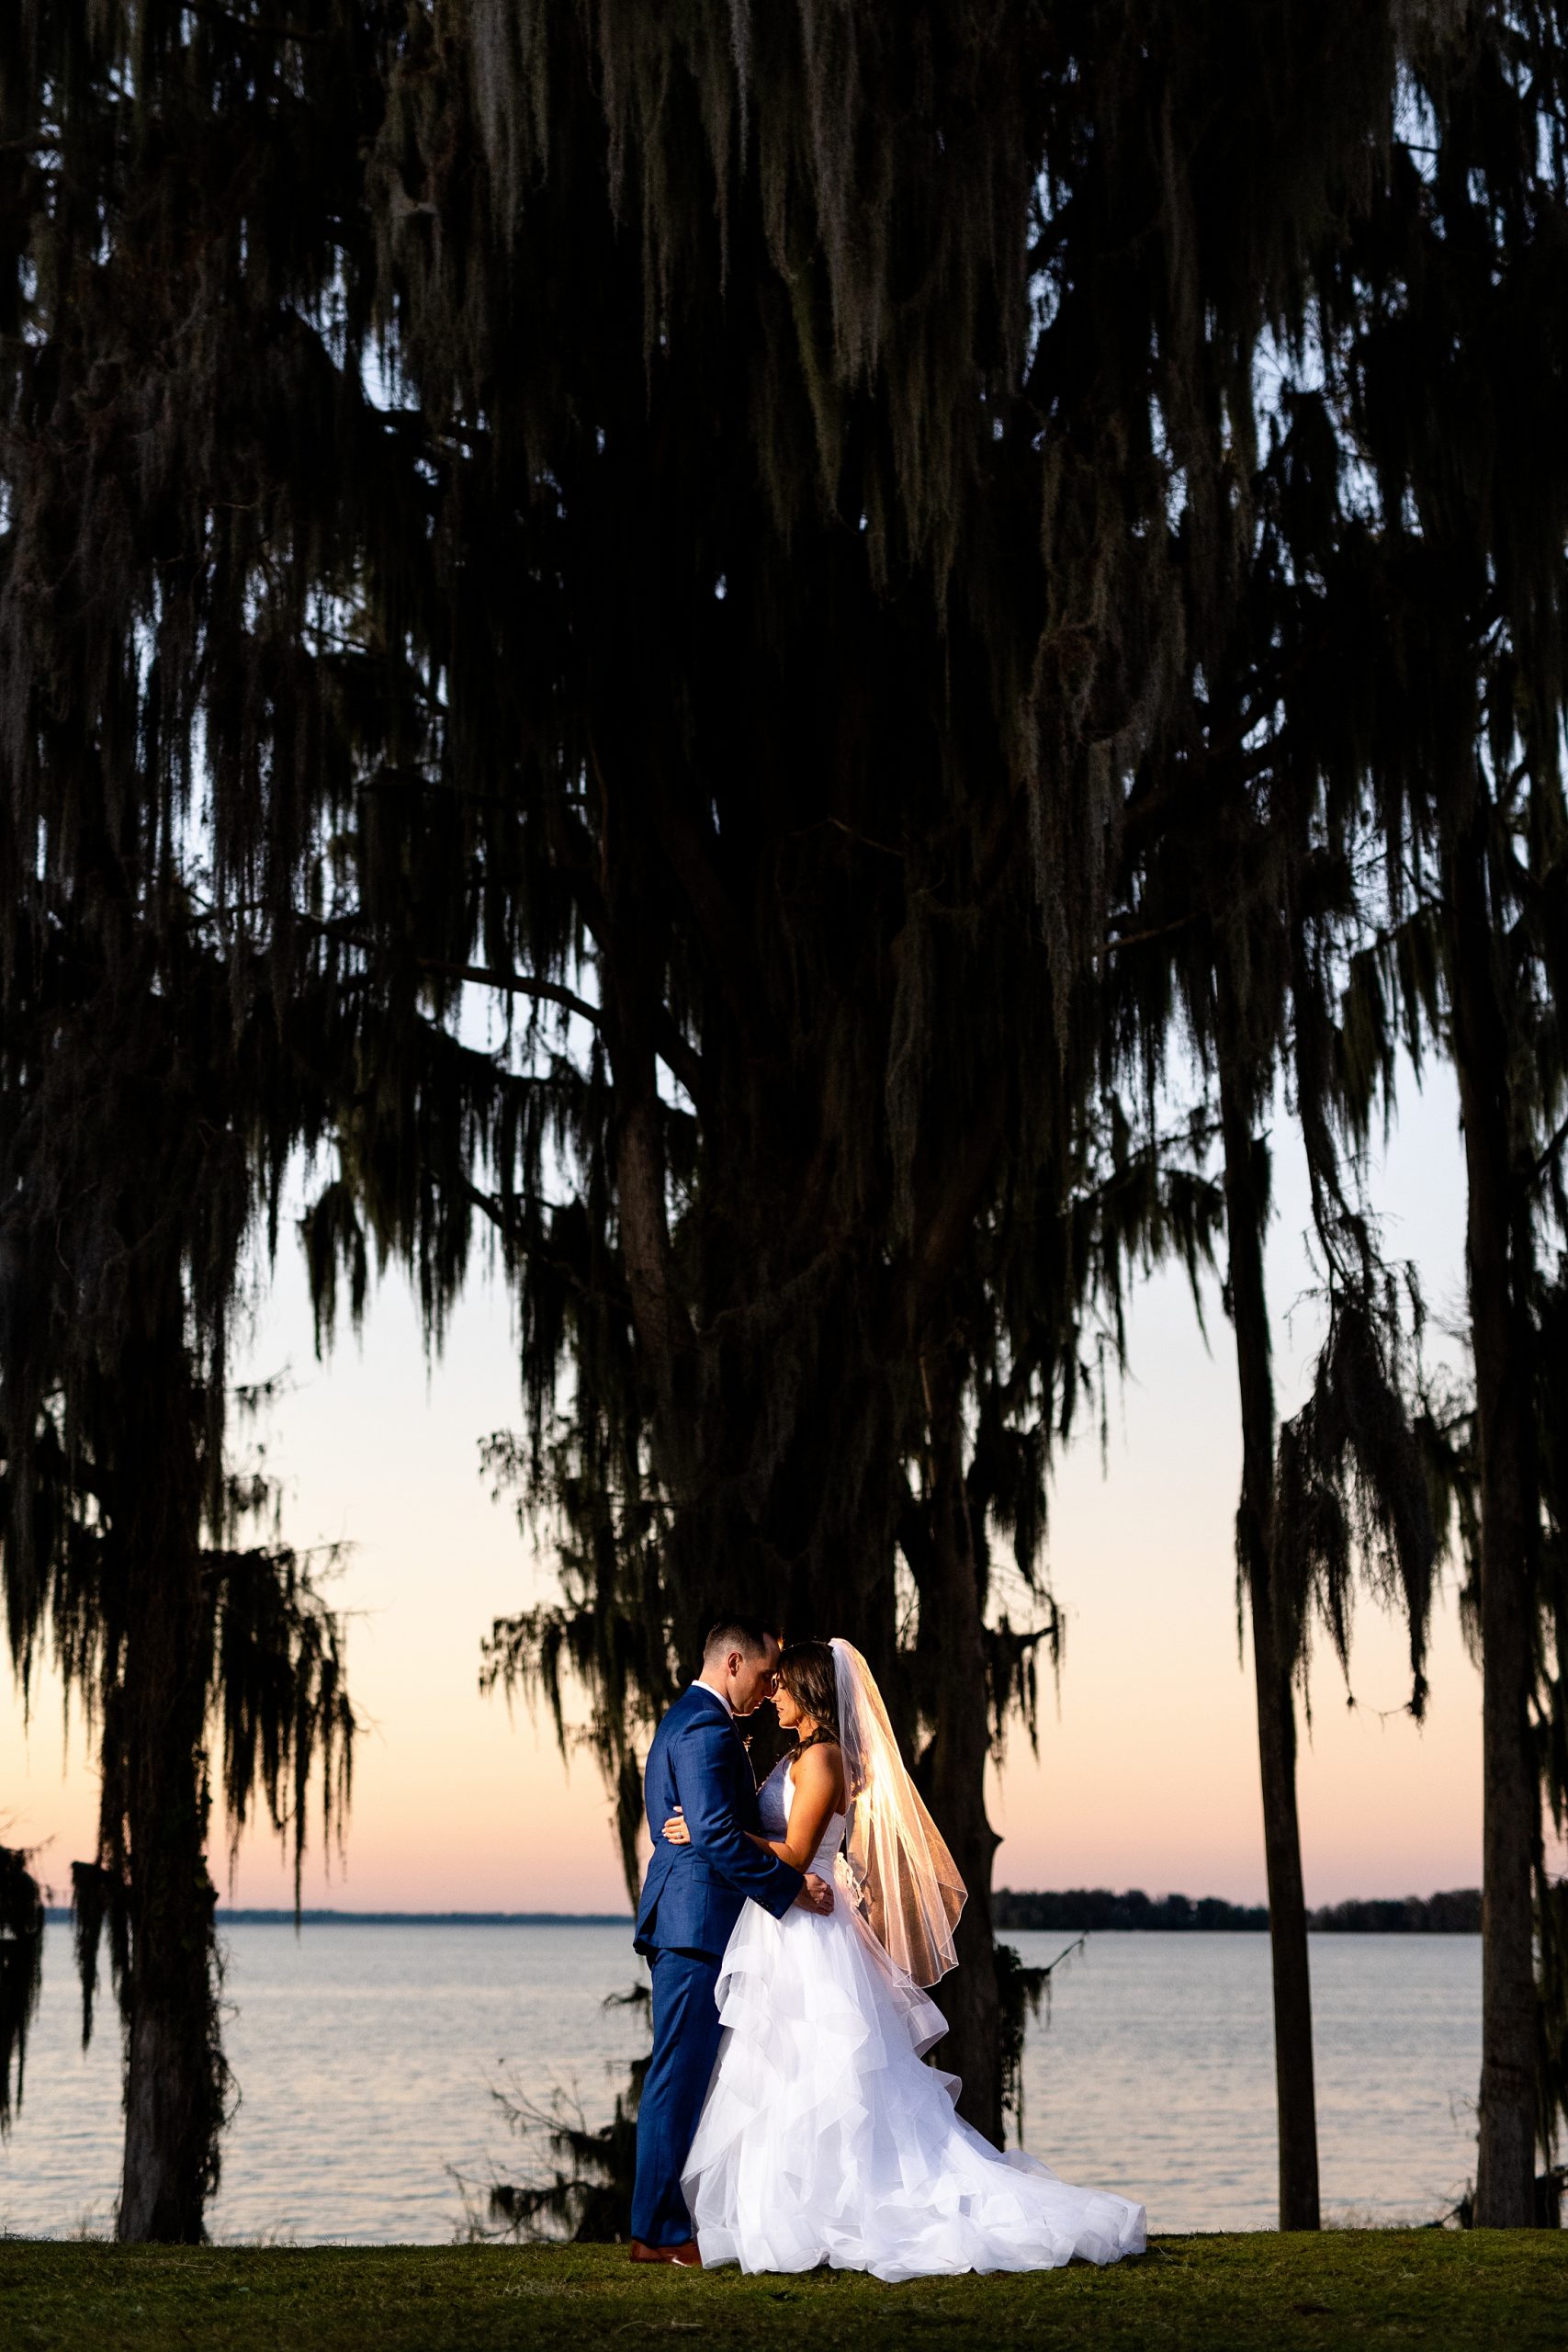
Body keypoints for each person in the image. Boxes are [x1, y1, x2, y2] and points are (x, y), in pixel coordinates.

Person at [660, 1636, 1147, 2280]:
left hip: (810, 1933)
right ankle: (792, 2212)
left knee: (820, 2070)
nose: (771, 1691)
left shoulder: (824, 1759)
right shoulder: (801, 1756)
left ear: (808, 1692)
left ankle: (837, 2210)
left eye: (782, 1684)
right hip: (783, 1925)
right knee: (783, 2069)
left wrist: (712, 1830)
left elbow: (798, 1854)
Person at [628, 1617, 834, 2266]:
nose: (771, 1687)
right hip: (693, 1927)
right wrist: (791, 1888)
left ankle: (667, 2226)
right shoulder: (702, 1725)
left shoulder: (700, 1720)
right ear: (735, 1662)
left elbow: (714, 1830)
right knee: (678, 2078)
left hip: (703, 1922)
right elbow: (715, 1836)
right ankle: (657, 2233)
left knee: (689, 2077)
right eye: (767, 1674)